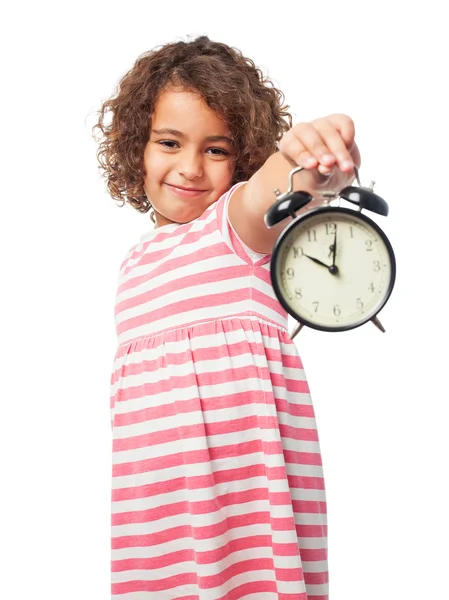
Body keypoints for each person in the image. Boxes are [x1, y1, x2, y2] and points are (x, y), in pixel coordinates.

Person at [92, 34, 360, 600]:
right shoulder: (133, 264)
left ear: (242, 157)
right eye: (169, 142)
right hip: (157, 523)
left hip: (244, 511)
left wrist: (305, 156)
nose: (190, 167)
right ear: (136, 146)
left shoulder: (234, 231)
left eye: (216, 149)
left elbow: (272, 192)